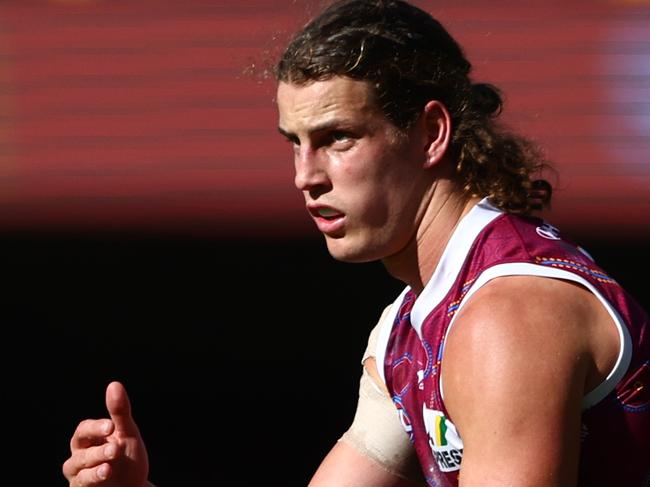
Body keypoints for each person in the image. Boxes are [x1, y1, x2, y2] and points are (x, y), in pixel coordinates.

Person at [63, 1, 649, 486]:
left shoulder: (505, 317)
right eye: (295, 142)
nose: (305, 175)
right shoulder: (409, 326)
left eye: (338, 138)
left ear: (431, 134)